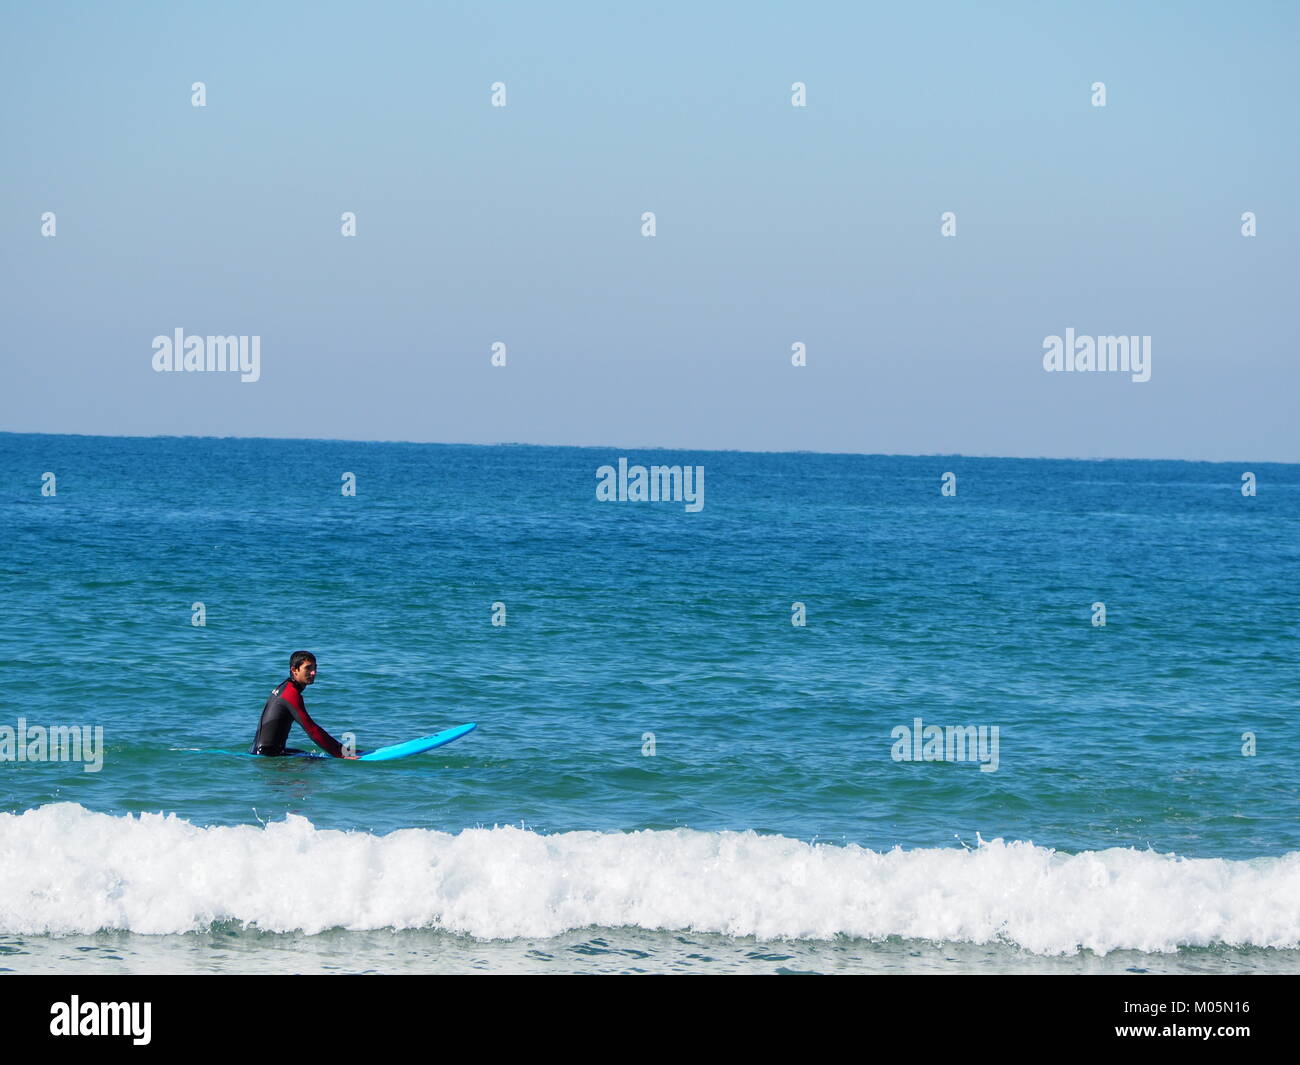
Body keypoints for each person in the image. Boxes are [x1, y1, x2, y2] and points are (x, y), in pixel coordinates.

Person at [249, 651, 358, 758]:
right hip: (268, 757)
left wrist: (341, 749)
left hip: (263, 751)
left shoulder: (285, 688)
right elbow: (311, 728)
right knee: (318, 762)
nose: (313, 672)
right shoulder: (290, 694)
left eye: (315, 668)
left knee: (309, 755)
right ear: (294, 670)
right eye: (308, 668)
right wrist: (340, 753)